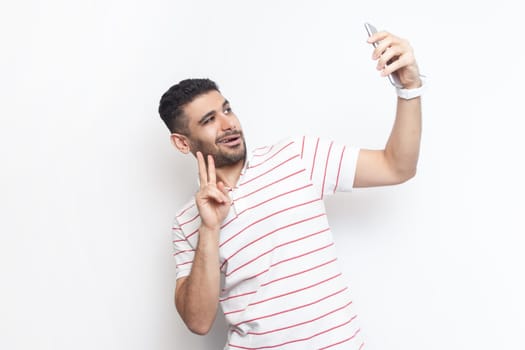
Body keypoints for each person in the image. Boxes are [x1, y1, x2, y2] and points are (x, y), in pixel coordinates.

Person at [158, 28, 424, 349]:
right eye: (209, 120)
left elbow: (397, 167)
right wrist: (210, 229)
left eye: (227, 109)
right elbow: (198, 322)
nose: (229, 124)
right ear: (181, 142)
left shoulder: (298, 156)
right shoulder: (188, 223)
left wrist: (408, 89)